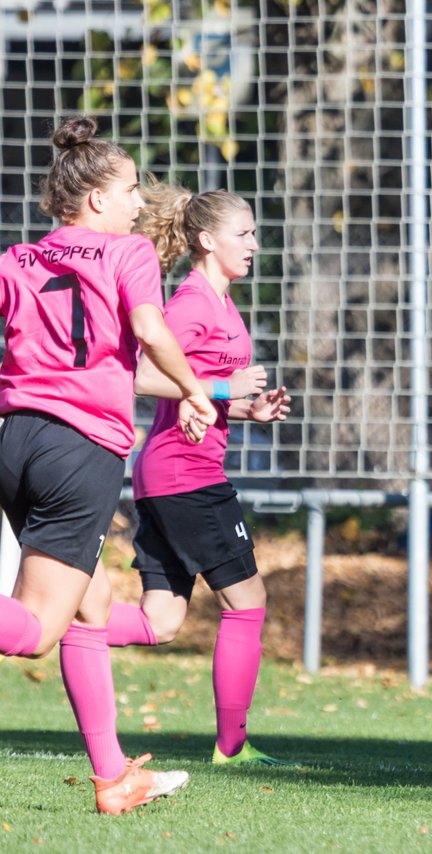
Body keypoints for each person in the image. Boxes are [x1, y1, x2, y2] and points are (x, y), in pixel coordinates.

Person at [0, 115, 216, 814]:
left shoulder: (14, 261)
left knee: (90, 608)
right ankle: (115, 774)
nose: (136, 203)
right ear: (96, 199)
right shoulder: (127, 255)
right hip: (79, 449)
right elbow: (150, 332)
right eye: (127, 190)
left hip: (16, 440)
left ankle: (114, 775)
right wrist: (194, 390)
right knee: (35, 632)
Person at [104, 180, 292, 767]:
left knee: (160, 622)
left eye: (256, 232)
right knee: (248, 601)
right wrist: (219, 387)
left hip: (169, 474)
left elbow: (192, 395)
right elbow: (137, 375)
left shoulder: (221, 300)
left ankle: (37, 617)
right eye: (244, 233)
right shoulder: (191, 303)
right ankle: (232, 748)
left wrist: (244, 408)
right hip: (186, 477)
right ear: (208, 240)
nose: (255, 244)